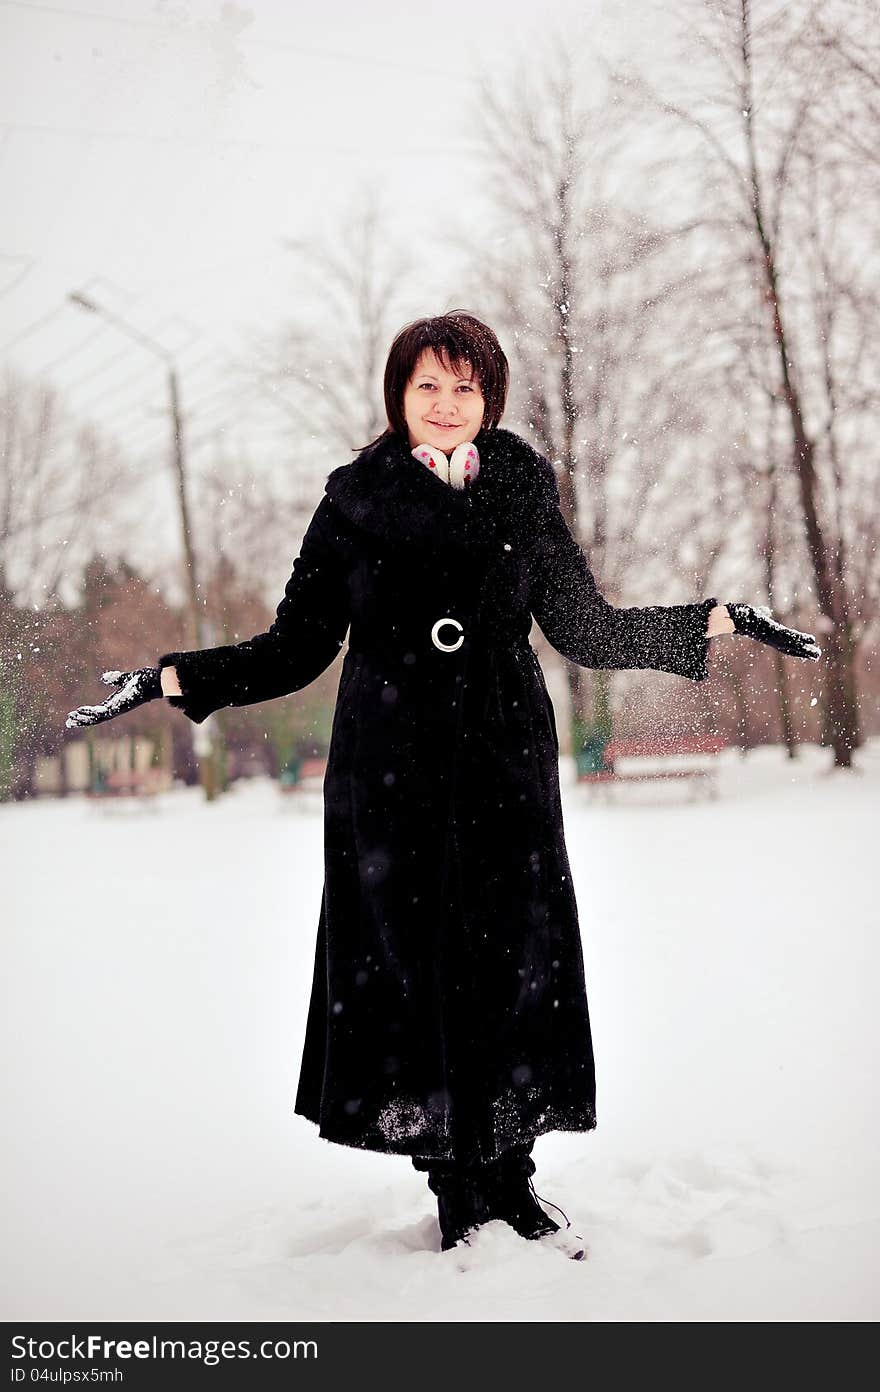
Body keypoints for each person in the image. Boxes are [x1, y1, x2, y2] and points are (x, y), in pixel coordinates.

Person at [66, 311, 821, 1259]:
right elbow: (296, 648)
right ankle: (459, 1184)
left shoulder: (519, 486)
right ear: (398, 397)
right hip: (394, 776)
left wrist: (711, 622)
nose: (446, 403)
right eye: (428, 385)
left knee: (514, 969)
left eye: (465, 386)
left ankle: (513, 1176)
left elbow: (585, 626)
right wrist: (174, 677)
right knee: (420, 973)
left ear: (490, 399)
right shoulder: (353, 501)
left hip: (505, 767)